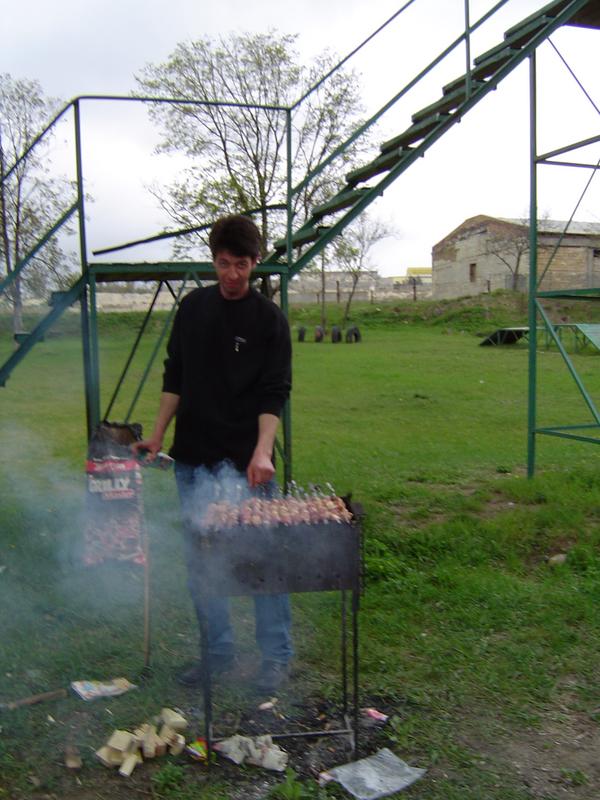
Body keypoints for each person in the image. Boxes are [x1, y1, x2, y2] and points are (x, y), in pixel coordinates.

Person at [134, 214, 292, 692]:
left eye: (241, 264)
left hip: (247, 463)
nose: (232, 274)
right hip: (193, 458)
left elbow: (274, 392)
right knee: (203, 561)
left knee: (263, 562)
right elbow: (175, 376)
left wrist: (263, 453)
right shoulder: (192, 308)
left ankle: (275, 657)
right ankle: (218, 653)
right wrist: (158, 435)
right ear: (213, 261)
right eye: (223, 264)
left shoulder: (269, 320)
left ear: (255, 262)